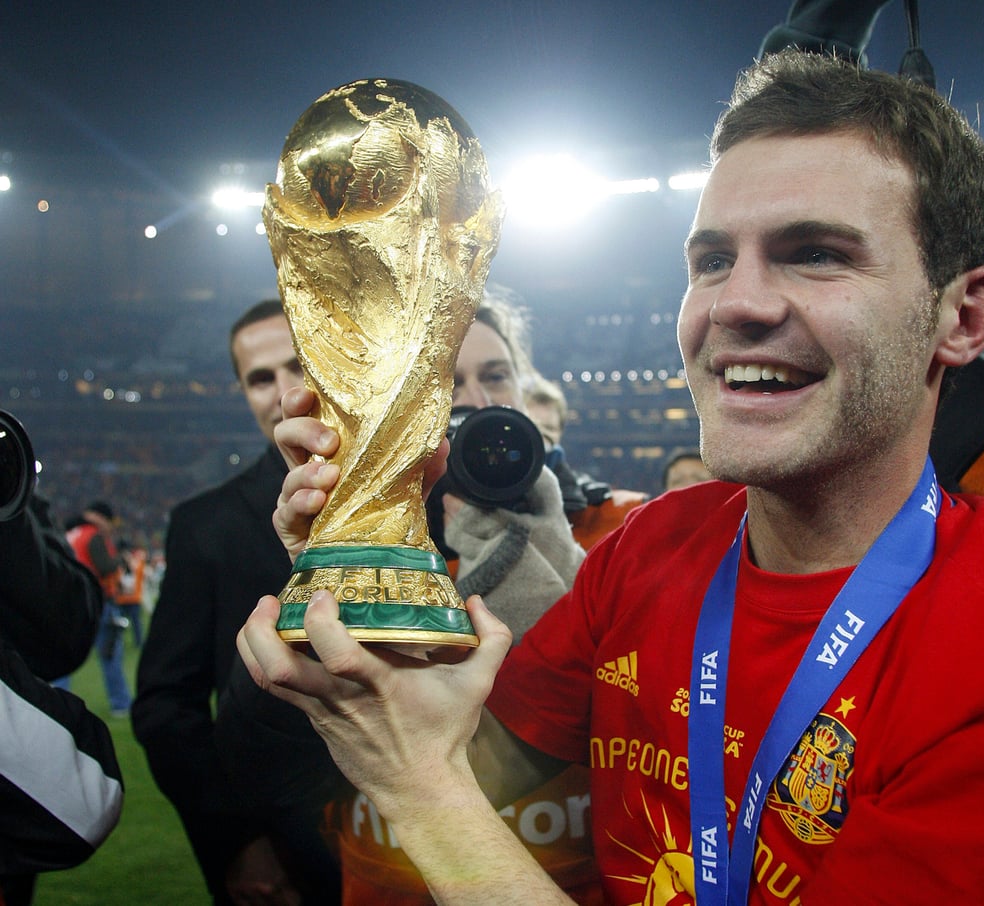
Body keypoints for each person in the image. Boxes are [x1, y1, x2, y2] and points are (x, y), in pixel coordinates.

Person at [239, 50, 984, 904]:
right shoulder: (654, 548)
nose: (737, 304)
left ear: (965, 316)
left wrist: (420, 791)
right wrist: (368, 558)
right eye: (713, 260)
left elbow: (439, 788)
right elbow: (485, 770)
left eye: (816, 254)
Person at [215, 291, 608, 904]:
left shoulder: (613, 529)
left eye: (496, 375)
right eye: (446, 381)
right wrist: (326, 555)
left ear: (526, 388)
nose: (475, 401)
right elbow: (260, 759)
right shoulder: (353, 536)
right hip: (389, 880)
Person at [131, 299, 338, 905]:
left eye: (299, 364)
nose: (283, 391)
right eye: (260, 377)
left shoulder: (422, 497)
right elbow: (168, 705)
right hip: (291, 856)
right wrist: (238, 840)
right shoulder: (205, 526)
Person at [1, 487, 124, 905]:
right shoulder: (92, 536)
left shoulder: (74, 531)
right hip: (98, 607)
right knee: (105, 667)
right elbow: (84, 799)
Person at [523, 372, 648, 550]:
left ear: (560, 433)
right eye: (532, 425)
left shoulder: (601, 507)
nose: (540, 436)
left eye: (549, 428)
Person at [65, 500, 132, 717]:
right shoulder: (93, 536)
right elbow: (104, 567)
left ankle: (59, 701)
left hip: (72, 602)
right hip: (99, 601)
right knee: (110, 655)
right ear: (100, 517)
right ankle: (121, 703)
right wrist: (120, 559)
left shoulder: (72, 532)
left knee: (65, 656)